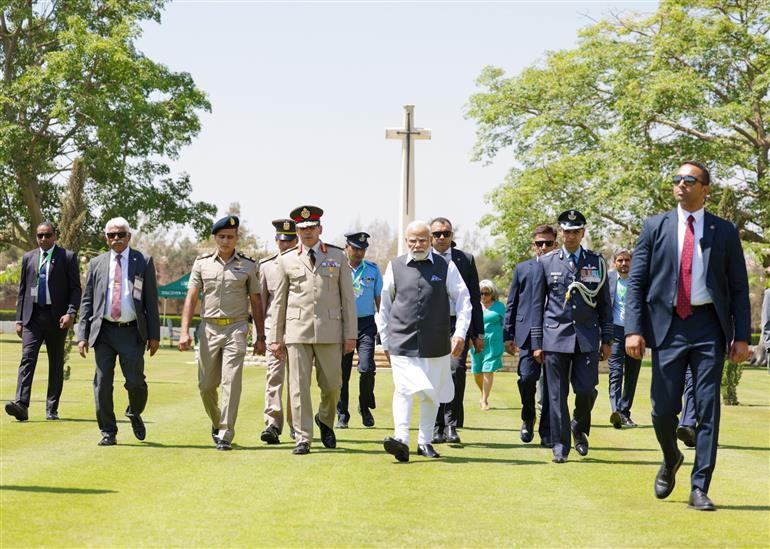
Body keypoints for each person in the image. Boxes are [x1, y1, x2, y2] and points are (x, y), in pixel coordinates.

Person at [625, 161, 751, 511]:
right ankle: (670, 458)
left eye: (689, 180)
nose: (680, 185)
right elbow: (637, 282)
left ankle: (700, 487)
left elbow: (739, 288)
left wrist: (741, 336)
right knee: (661, 410)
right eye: (677, 180)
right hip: (667, 326)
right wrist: (634, 328)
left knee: (708, 410)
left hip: (709, 326)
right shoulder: (655, 227)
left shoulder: (724, 231)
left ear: (705, 188)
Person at [377, 220, 472, 462]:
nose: (417, 244)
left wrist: (460, 332)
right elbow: (385, 305)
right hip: (401, 340)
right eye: (412, 240)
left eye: (422, 239)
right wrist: (385, 340)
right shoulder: (395, 266)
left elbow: (464, 300)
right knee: (403, 390)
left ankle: (424, 441)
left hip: (436, 342)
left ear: (430, 240)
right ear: (406, 241)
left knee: (431, 394)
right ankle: (401, 440)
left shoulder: (446, 266)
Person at [268, 205, 357, 455]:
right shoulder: (286, 260)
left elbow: (348, 299)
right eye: (302, 228)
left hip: (330, 331)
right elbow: (279, 302)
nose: (307, 232)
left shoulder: (338, 256)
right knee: (298, 387)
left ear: (320, 229)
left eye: (311, 228)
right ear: (296, 230)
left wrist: (350, 334)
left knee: (332, 385)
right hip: (297, 331)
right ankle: (303, 437)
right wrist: (276, 338)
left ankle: (325, 421)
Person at [178, 215, 266, 451]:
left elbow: (256, 302)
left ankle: (226, 433)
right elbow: (192, 297)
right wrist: (184, 331)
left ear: (237, 238)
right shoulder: (202, 263)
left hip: (236, 328)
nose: (226, 241)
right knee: (206, 386)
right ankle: (217, 422)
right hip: (208, 329)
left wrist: (260, 336)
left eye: (230, 237)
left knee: (231, 382)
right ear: (215, 238)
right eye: (221, 237)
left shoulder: (248, 265)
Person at [531, 209, 612, 463]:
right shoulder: (546, 262)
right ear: (561, 232)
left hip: (587, 337)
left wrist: (607, 338)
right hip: (555, 337)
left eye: (576, 231)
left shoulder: (595, 261)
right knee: (556, 394)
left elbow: (604, 303)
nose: (571, 235)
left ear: (583, 233)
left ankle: (579, 426)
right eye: (566, 231)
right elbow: (536, 305)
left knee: (587, 390)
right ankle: (561, 445)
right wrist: (537, 342)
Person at [76, 217, 160, 446]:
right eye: (111, 235)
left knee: (135, 383)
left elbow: (151, 300)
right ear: (106, 238)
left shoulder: (142, 261)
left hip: (132, 333)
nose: (116, 239)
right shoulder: (97, 264)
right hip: (103, 332)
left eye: (120, 234)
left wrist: (154, 335)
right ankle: (108, 431)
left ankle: (134, 411)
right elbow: (87, 301)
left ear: (129, 237)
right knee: (102, 383)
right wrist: (82, 335)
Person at [6, 221, 81, 422]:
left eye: (47, 235)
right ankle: (21, 405)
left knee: (55, 363)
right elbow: (23, 290)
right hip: (32, 317)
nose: (43, 239)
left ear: (55, 236)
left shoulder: (67, 257)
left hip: (57, 318)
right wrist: (19, 319)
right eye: (40, 235)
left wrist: (71, 313)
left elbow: (75, 289)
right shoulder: (29, 257)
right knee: (27, 358)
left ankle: (52, 408)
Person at [430, 217, 484, 445]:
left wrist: (477, 333)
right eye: (437, 234)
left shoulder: (465, 259)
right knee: (434, 376)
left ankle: (451, 424)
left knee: (455, 372)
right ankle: (435, 425)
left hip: (457, 325)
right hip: (431, 325)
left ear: (452, 235)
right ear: (431, 237)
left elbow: (473, 297)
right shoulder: (424, 259)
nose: (442, 237)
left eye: (446, 233)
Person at [503, 224, 556, 446]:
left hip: (555, 333)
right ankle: (528, 417)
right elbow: (512, 302)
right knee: (526, 379)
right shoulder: (522, 269)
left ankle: (547, 430)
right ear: (533, 245)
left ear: (555, 243)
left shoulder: (561, 267)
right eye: (539, 243)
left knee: (552, 385)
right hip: (526, 335)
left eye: (548, 243)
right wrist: (508, 334)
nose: (543, 247)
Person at [336, 231, 383, 429]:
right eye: (355, 248)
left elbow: (380, 300)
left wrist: (384, 328)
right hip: (342, 324)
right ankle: (342, 415)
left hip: (366, 324)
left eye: (362, 249)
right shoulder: (337, 268)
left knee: (367, 368)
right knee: (342, 373)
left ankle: (364, 407)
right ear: (346, 247)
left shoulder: (372, 269)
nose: (358, 253)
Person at [258, 219, 297, 445]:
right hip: (274, 331)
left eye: (290, 240)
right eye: (282, 241)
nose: (286, 245)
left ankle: (296, 424)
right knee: (274, 377)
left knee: (297, 380)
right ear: (276, 241)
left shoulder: (304, 263)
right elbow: (260, 305)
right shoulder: (266, 266)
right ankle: (272, 424)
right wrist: (260, 336)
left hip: (298, 330)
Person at [607, 248, 642, 429]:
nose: (624, 263)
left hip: (635, 333)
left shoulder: (640, 280)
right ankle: (616, 412)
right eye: (620, 260)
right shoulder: (609, 280)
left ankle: (624, 412)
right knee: (615, 373)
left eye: (627, 260)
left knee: (631, 375)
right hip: (615, 333)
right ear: (615, 263)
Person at [470, 279, 505, 410]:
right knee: (477, 372)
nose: (484, 296)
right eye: (481, 293)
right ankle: (484, 393)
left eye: (487, 293)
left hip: (493, 343)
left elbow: (506, 324)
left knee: (488, 370)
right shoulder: (473, 306)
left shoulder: (499, 307)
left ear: (492, 293)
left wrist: (509, 340)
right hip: (476, 343)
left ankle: (484, 400)